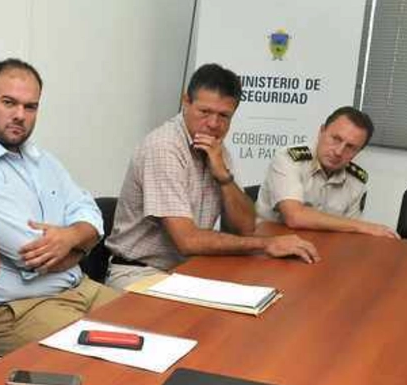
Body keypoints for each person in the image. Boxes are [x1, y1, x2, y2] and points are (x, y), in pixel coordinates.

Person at [0, 59, 120, 355]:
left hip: (80, 288)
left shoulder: (44, 161)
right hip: (14, 311)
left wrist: (70, 237)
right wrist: (83, 244)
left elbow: (90, 213)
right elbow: (31, 254)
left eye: (30, 107)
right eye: (9, 103)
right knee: (111, 358)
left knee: (159, 327)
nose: (19, 115)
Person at [105, 63, 320, 290]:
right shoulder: (164, 147)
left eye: (224, 115)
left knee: (269, 292)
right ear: (186, 101)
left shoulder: (216, 149)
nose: (213, 124)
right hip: (138, 272)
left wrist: (223, 177)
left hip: (187, 269)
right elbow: (187, 241)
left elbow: (245, 227)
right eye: (205, 112)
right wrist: (267, 245)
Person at [255, 107, 398, 238]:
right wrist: (364, 226)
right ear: (322, 131)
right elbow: (295, 216)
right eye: (336, 139)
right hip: (269, 242)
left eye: (350, 147)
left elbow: (350, 234)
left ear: (358, 152)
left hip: (320, 247)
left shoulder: (356, 181)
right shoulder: (289, 159)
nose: (338, 152)